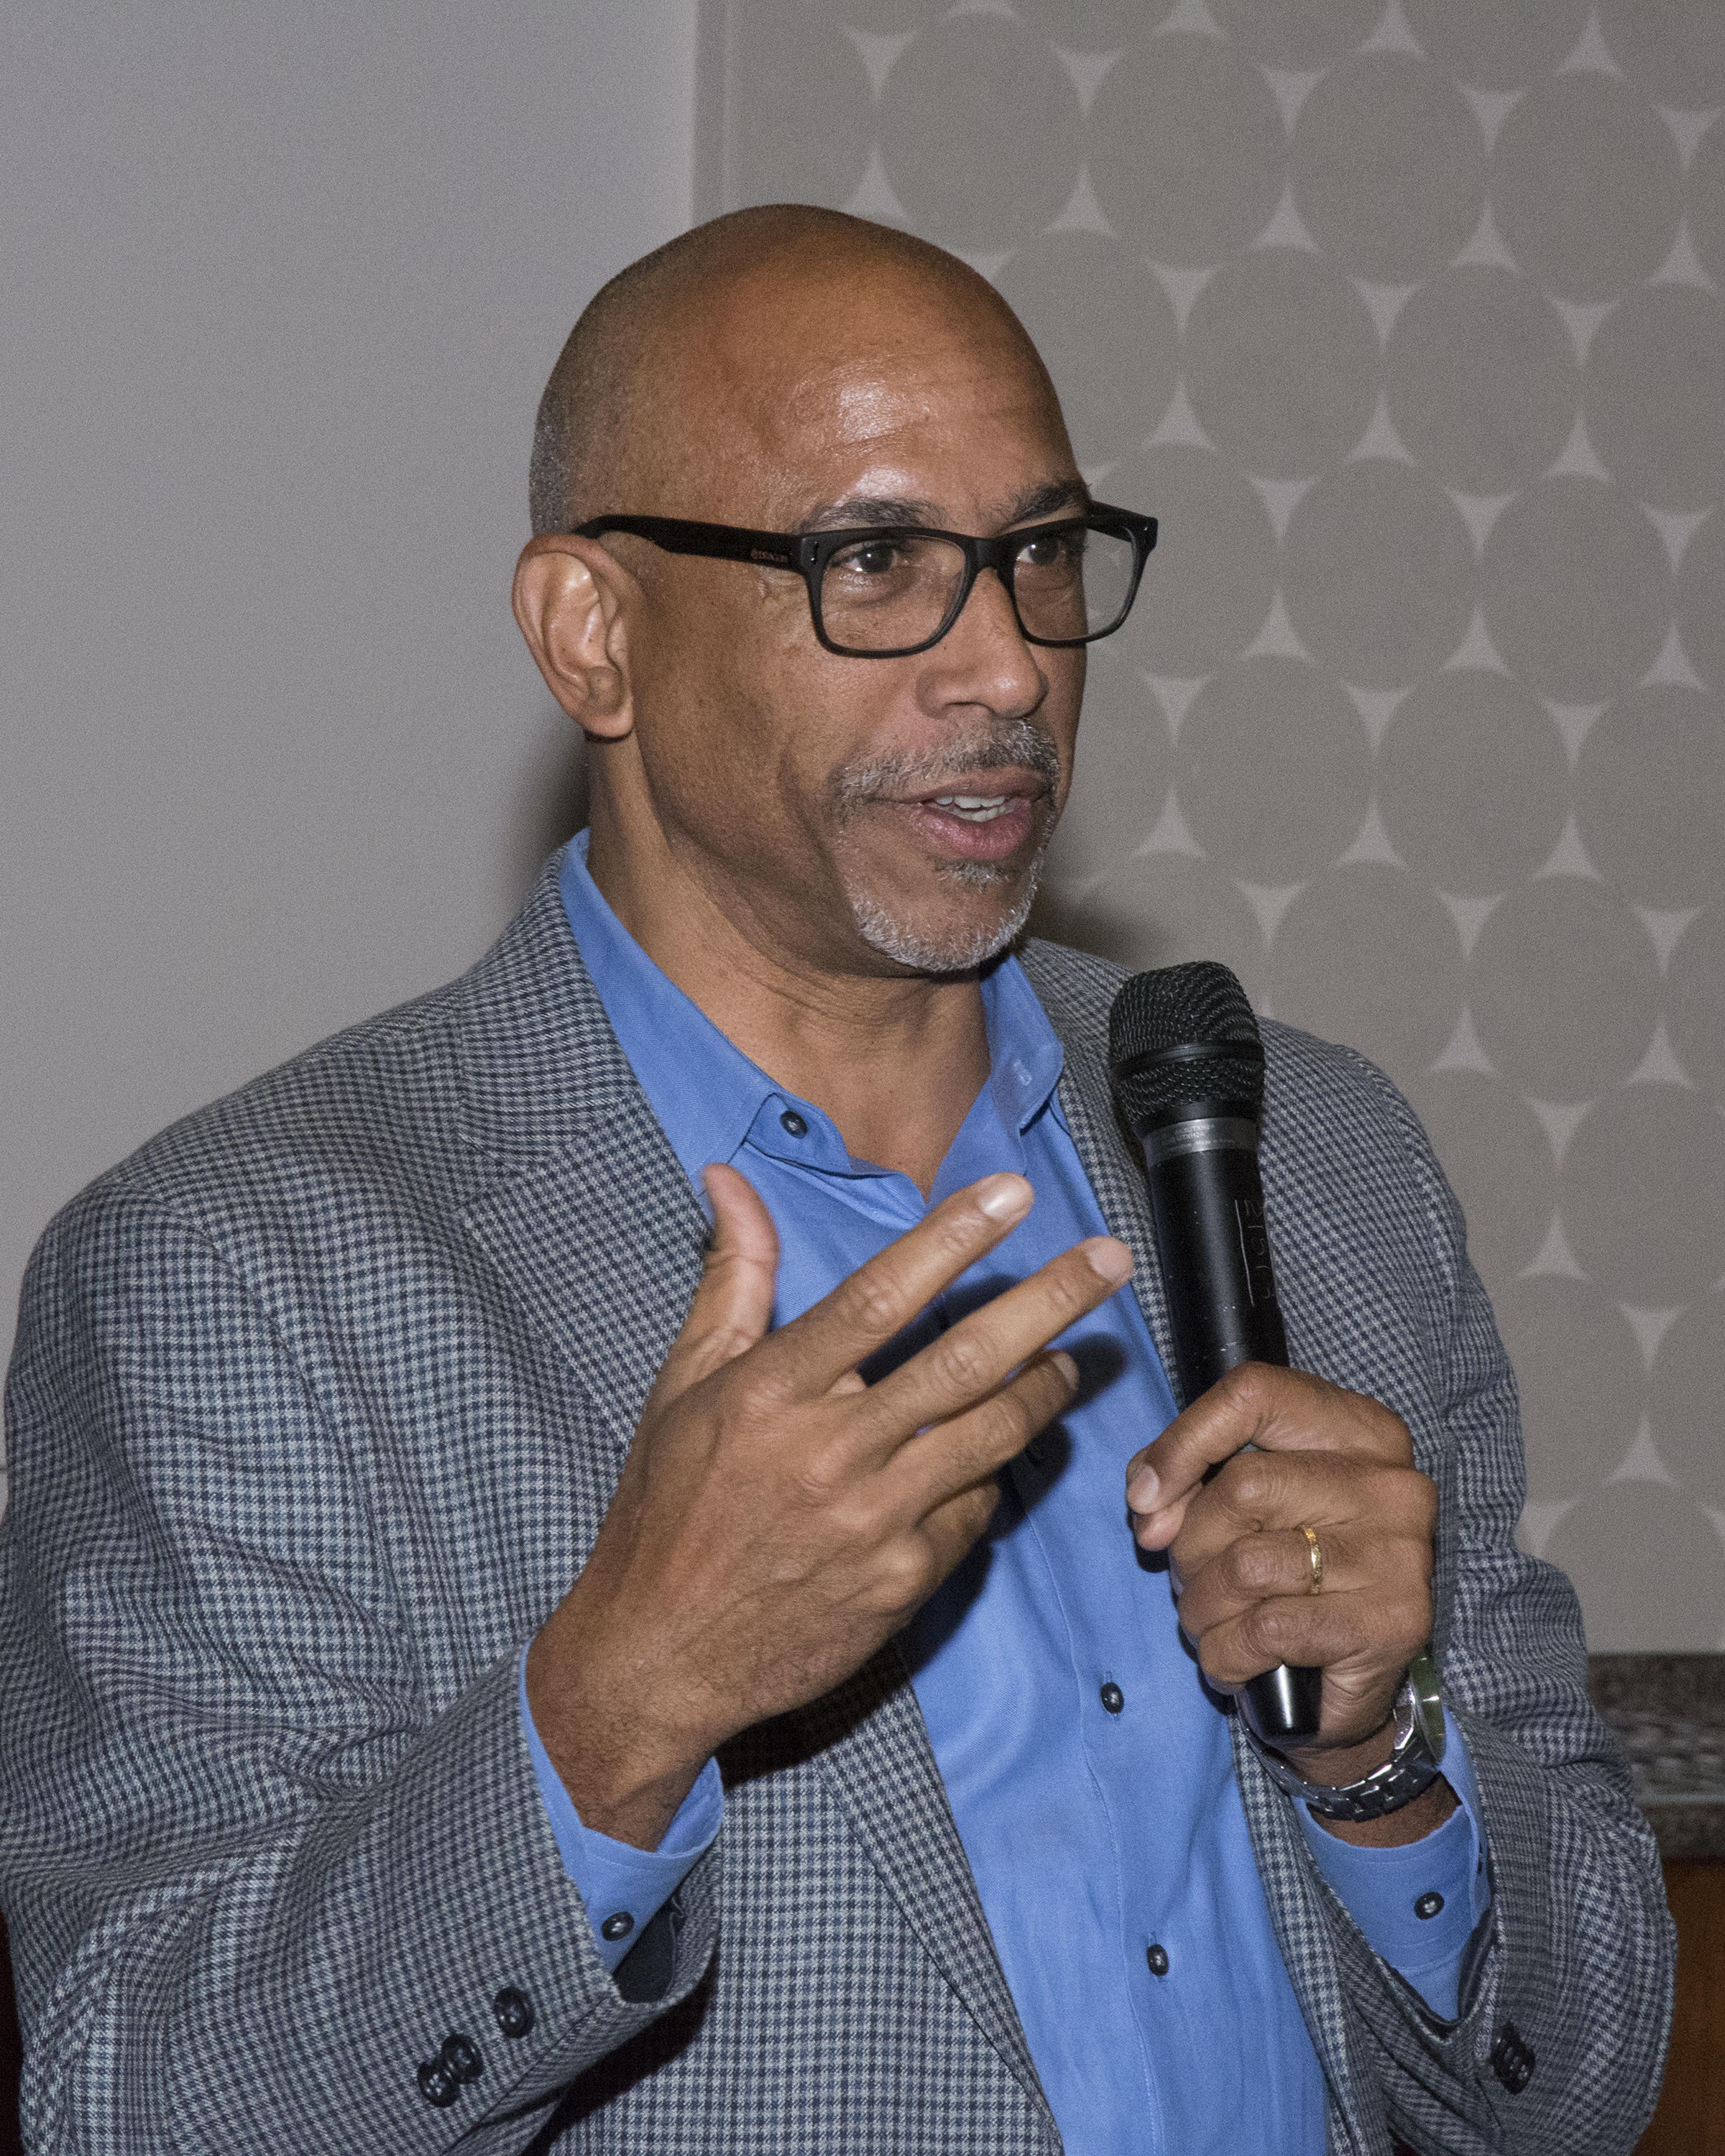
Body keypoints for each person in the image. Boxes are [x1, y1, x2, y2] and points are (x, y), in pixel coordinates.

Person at [0, 206, 1670, 2155]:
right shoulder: (243, 1270)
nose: (1006, 671)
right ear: (592, 633)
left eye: (1039, 557)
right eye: (877, 562)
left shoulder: (1319, 1158)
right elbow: (128, 2098)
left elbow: (1590, 2087)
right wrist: (615, 1708)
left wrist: (1385, 1764)